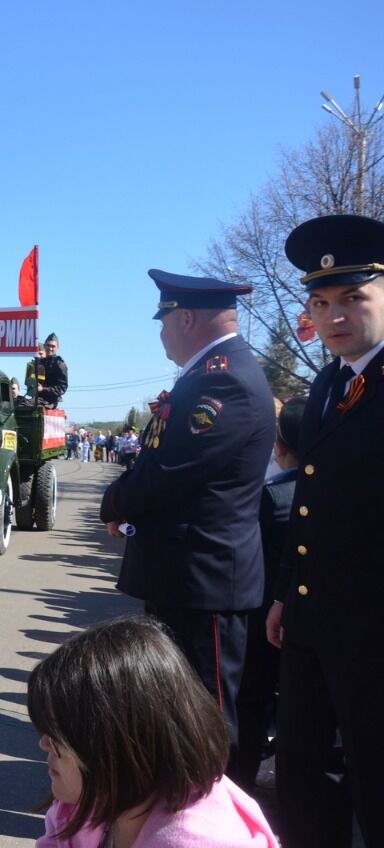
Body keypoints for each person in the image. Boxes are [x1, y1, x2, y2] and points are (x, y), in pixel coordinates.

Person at [100, 270, 274, 758]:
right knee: (177, 719)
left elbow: (171, 471)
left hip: (204, 583)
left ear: (188, 318)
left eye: (165, 319)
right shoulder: (206, 376)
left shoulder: (225, 381)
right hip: (184, 578)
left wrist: (113, 503)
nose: (161, 333)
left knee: (205, 723)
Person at [0, 616, 278, 848]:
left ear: (117, 744)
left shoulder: (200, 840)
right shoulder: (90, 806)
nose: (43, 743)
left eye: (58, 733)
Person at [266, 214, 384, 848]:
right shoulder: (331, 381)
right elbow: (309, 504)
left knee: (373, 785)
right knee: (302, 781)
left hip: (372, 636)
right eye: (321, 302)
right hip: (313, 625)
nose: (334, 316)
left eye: (353, 298)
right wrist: (287, 592)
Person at [232, 396, 303, 791]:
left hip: (263, 616)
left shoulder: (271, 496)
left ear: (279, 446)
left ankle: (240, 784)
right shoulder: (339, 490)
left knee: (253, 701)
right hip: (314, 621)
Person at [29, 332, 69, 407]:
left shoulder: (60, 365)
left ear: (58, 347)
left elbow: (62, 388)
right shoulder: (40, 363)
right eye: (48, 345)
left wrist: (43, 389)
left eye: (53, 346)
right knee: (16, 401)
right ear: (44, 346)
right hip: (37, 398)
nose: (50, 348)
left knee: (25, 404)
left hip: (50, 401)